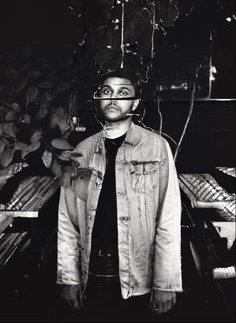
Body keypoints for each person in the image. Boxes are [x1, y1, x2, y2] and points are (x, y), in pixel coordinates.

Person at [56, 67, 183, 321]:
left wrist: (166, 282)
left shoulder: (156, 147)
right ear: (99, 99)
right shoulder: (82, 150)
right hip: (92, 272)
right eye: (107, 91)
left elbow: (168, 217)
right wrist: (69, 277)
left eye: (122, 93)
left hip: (138, 275)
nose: (113, 98)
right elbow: (67, 220)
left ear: (134, 102)